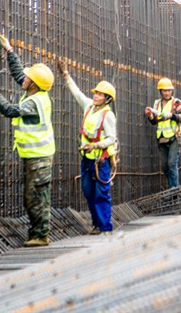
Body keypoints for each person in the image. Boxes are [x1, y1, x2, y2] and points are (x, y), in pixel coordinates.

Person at [0, 34, 55, 247]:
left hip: (39, 157)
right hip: (34, 156)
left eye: (28, 77)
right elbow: (18, 74)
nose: (24, 78)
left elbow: (10, 110)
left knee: (36, 197)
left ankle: (40, 235)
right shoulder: (35, 92)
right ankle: (38, 233)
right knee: (34, 195)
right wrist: (9, 50)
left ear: (34, 84)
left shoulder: (35, 102)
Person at [57, 60, 118, 235]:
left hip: (101, 160)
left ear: (107, 98)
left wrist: (96, 145)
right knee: (88, 191)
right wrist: (66, 75)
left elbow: (112, 138)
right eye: (96, 93)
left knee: (101, 193)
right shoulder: (89, 107)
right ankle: (97, 224)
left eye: (100, 94)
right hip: (87, 159)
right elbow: (76, 92)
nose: (96, 96)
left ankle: (105, 227)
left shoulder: (108, 115)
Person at [144, 78, 181, 189]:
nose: (167, 93)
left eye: (169, 90)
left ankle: (174, 190)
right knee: (165, 167)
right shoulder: (157, 104)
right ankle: (172, 187)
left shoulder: (176, 102)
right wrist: (150, 116)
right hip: (162, 139)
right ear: (160, 91)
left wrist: (170, 115)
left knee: (172, 164)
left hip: (174, 138)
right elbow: (154, 121)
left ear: (172, 91)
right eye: (164, 90)